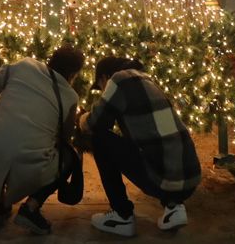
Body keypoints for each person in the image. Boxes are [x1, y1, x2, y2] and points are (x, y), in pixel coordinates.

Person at [0, 46, 84, 235]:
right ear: (73, 74)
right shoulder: (70, 96)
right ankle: (31, 208)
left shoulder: (24, 65)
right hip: (28, 167)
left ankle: (0, 205)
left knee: (7, 145)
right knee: (68, 156)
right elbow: (65, 138)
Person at [83, 56, 198, 236]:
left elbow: (95, 123)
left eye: (100, 86)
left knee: (100, 139)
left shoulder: (119, 80)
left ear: (105, 77)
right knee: (154, 145)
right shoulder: (145, 79)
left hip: (161, 179)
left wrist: (80, 118)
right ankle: (174, 208)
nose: (103, 91)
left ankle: (122, 215)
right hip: (190, 177)